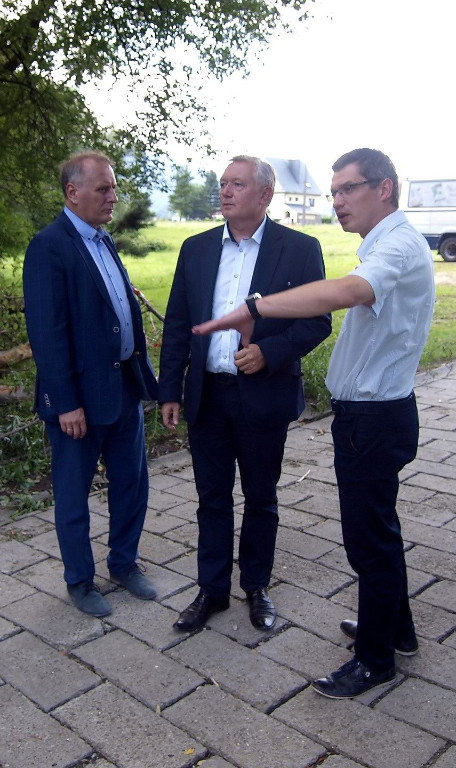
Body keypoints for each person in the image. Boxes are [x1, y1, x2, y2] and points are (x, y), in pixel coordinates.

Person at [192, 148, 435, 699]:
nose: (339, 201)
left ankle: (374, 661)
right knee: (378, 533)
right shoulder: (387, 243)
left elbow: (348, 292)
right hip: (371, 414)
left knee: (368, 543)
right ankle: (393, 630)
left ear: (385, 188)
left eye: (349, 189)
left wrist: (256, 308)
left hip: (375, 418)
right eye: (334, 192)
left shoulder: (397, 246)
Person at [158, 155, 332, 633]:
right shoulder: (195, 249)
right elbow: (178, 324)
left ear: (265, 195)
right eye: (223, 183)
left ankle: (256, 586)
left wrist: (268, 353)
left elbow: (317, 321)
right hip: (208, 395)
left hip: (262, 395)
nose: (226, 191)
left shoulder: (298, 249)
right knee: (211, 498)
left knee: (260, 497)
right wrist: (169, 388)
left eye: (237, 184)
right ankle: (211, 590)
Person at [23, 151, 160, 617]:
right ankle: (80, 580)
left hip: (124, 388)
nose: (113, 197)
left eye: (114, 187)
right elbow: (47, 333)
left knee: (132, 484)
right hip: (78, 400)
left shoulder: (103, 241)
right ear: (72, 192)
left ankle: (124, 563)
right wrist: (65, 402)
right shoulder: (49, 246)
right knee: (73, 494)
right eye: (103, 189)